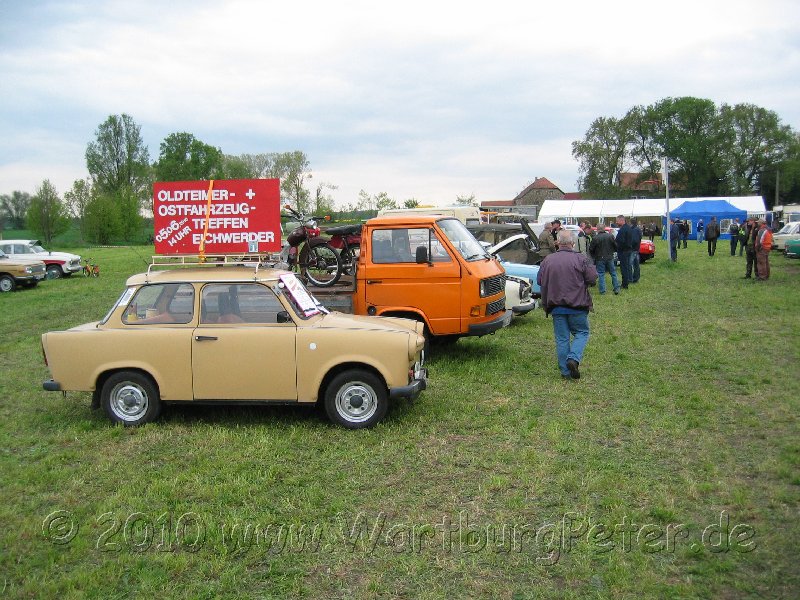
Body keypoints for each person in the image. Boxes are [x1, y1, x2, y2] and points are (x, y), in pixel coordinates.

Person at [537, 230, 598, 380]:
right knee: (582, 333)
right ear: (572, 243)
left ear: (557, 242)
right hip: (578, 305)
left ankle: (565, 372)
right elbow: (592, 278)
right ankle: (573, 358)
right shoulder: (581, 258)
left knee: (562, 338)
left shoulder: (548, 260)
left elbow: (540, 280)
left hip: (556, 305)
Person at [589, 225, 619, 295]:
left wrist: (594, 256)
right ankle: (616, 288)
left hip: (599, 258)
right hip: (609, 257)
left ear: (597, 229)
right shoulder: (610, 236)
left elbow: (591, 249)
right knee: (613, 273)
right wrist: (612, 251)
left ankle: (602, 291)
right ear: (604, 228)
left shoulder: (595, 238)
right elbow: (615, 246)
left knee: (601, 274)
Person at [615, 215, 633, 289]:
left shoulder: (622, 230)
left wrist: (616, 245)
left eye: (617, 221)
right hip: (628, 250)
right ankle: (627, 281)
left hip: (623, 251)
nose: (616, 222)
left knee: (624, 268)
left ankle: (625, 284)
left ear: (622, 220)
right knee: (627, 267)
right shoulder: (628, 228)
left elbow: (621, 241)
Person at [629, 218, 642, 283]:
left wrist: (630, 245)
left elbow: (634, 240)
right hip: (636, 249)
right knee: (636, 264)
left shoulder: (634, 230)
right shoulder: (638, 229)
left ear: (631, 223)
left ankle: (631, 278)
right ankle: (636, 277)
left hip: (633, 249)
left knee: (630, 264)